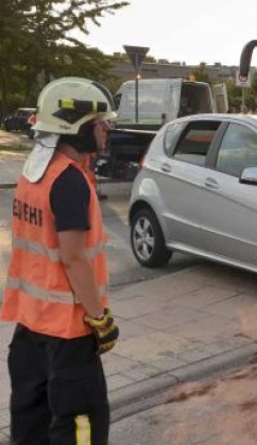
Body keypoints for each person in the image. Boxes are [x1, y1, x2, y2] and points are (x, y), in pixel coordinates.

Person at [2, 77, 120, 444]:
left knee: (31, 422)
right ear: (75, 126)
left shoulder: (34, 171)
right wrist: (100, 318)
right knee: (81, 424)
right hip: (67, 333)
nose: (106, 128)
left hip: (29, 329)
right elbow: (73, 258)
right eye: (100, 121)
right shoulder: (68, 181)